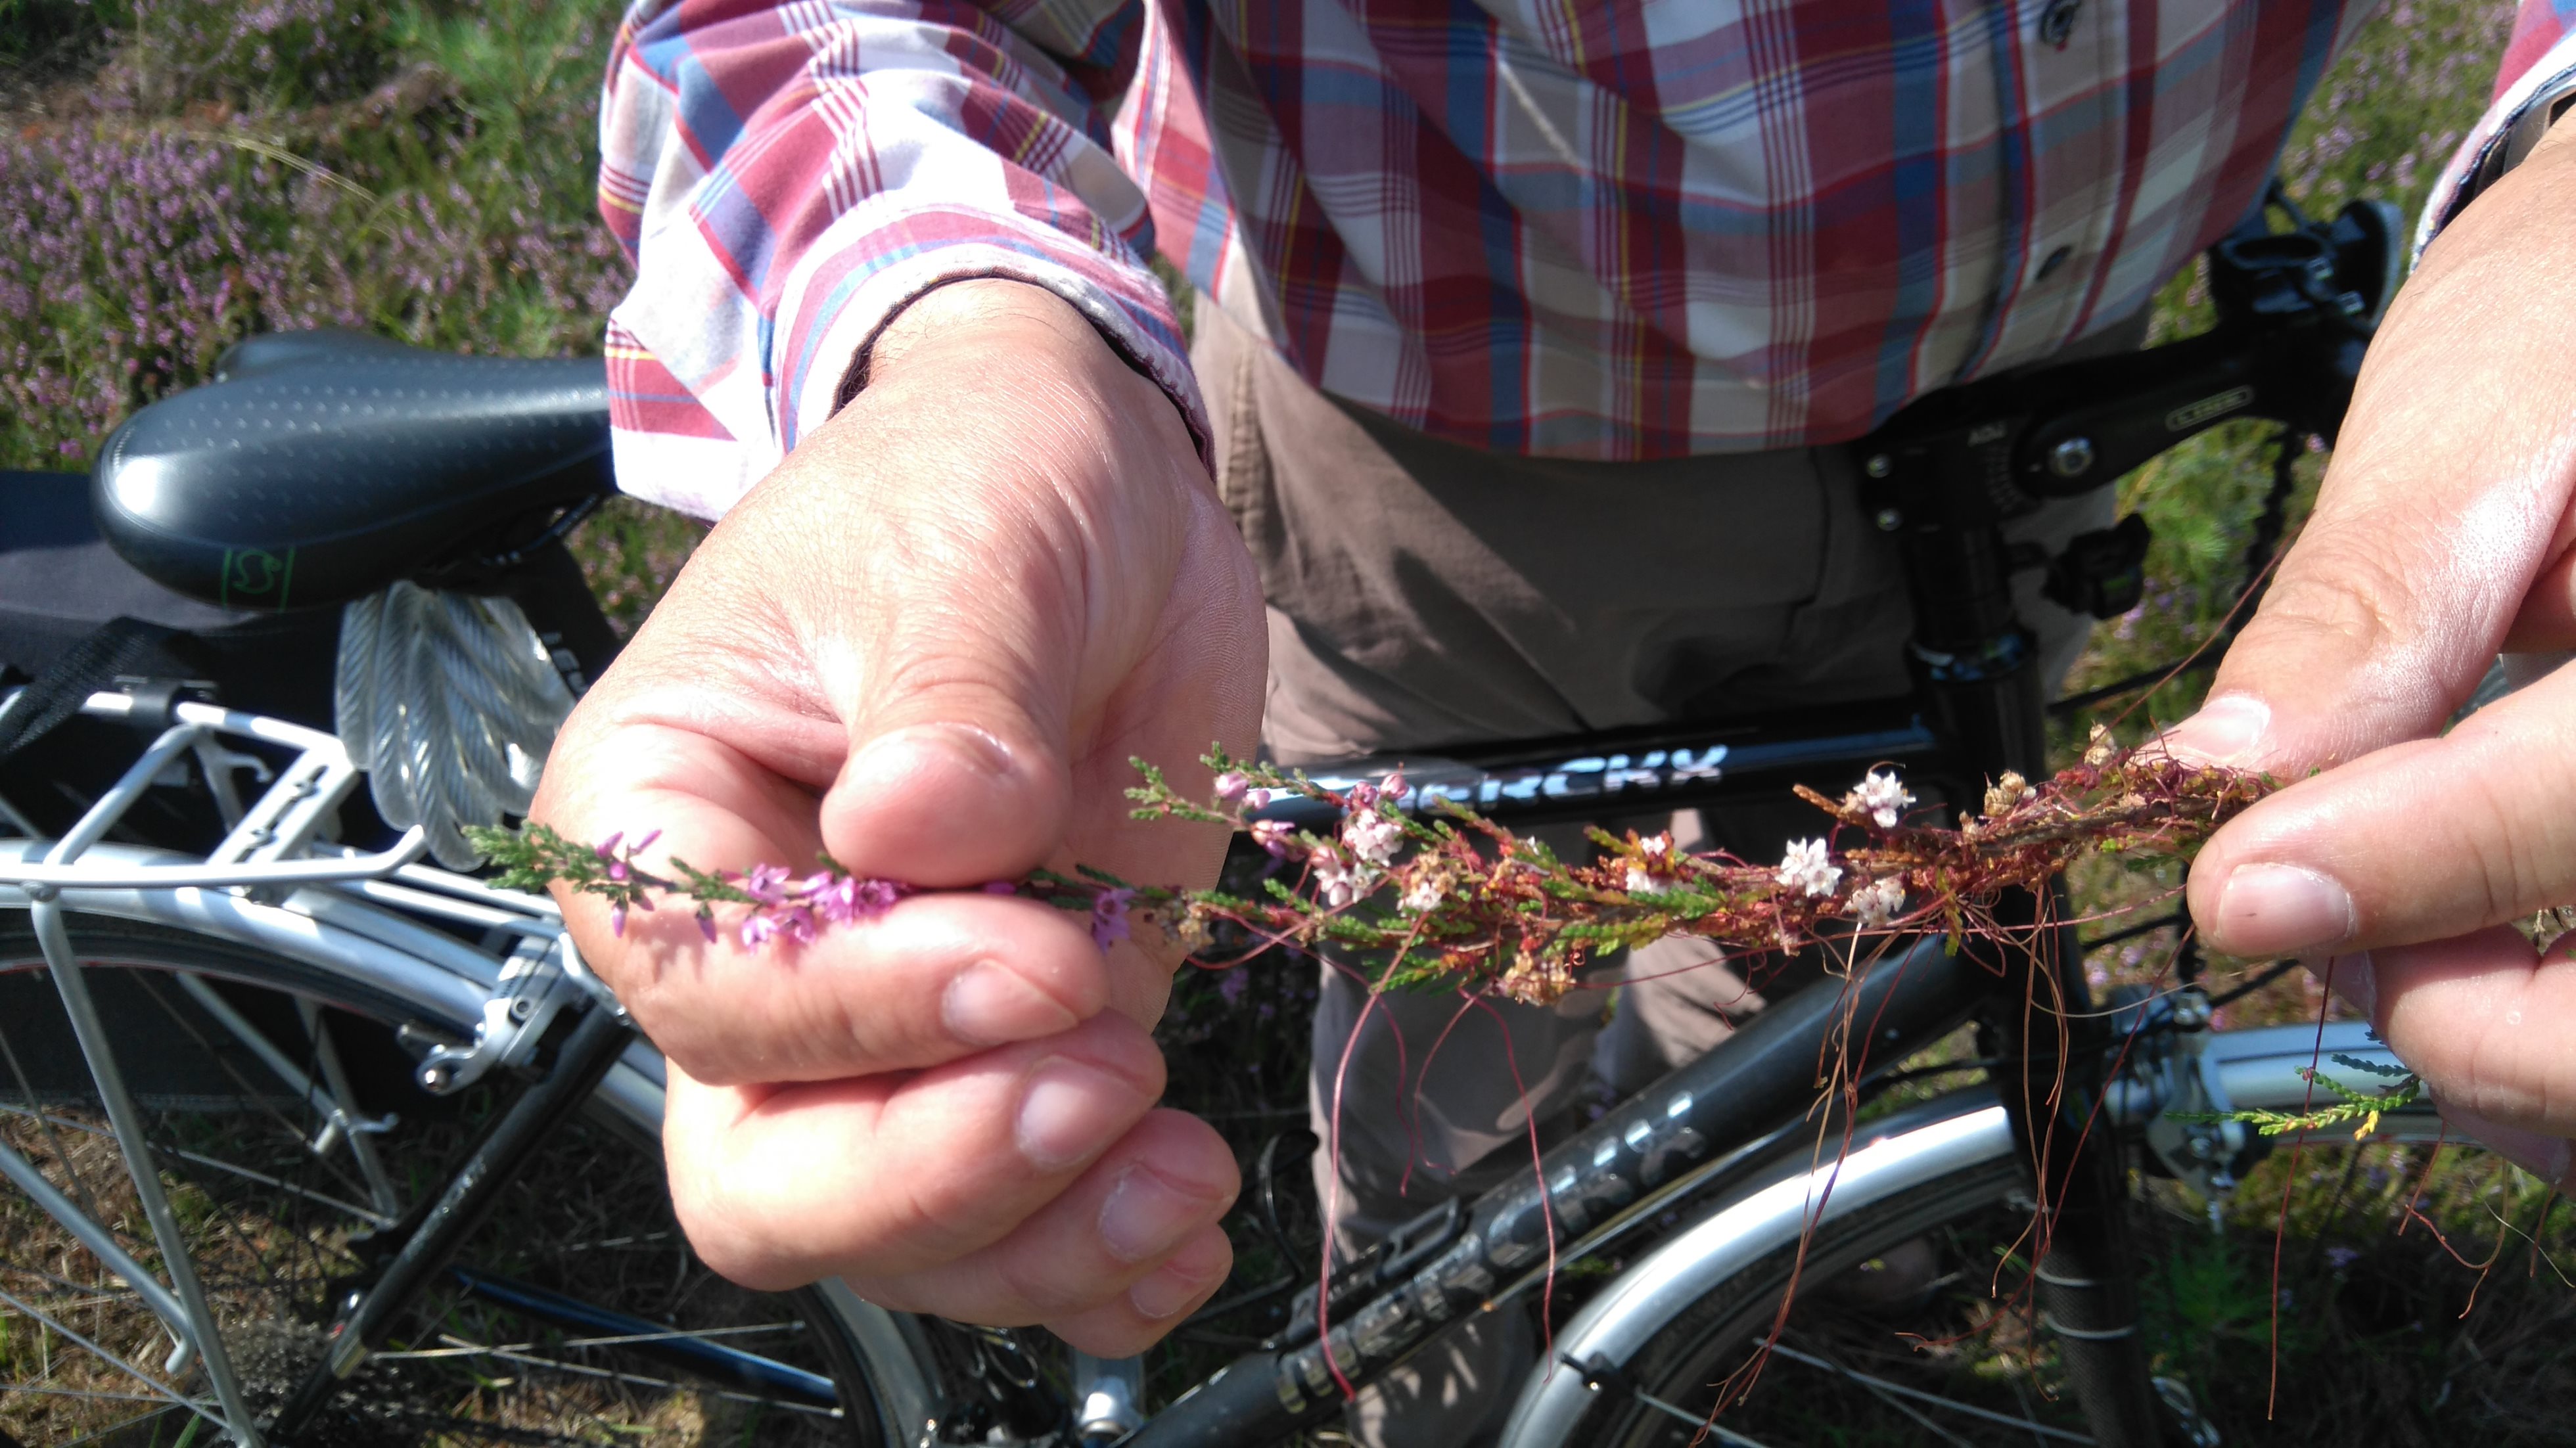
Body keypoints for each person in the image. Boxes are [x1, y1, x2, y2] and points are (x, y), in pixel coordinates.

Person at [530, 0, 2576, 1439]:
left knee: (1821, 963)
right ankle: (1442, 1385)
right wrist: (971, 342)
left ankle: (1735, 1265)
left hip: (2047, 397)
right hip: (1444, 443)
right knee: (1445, 1041)